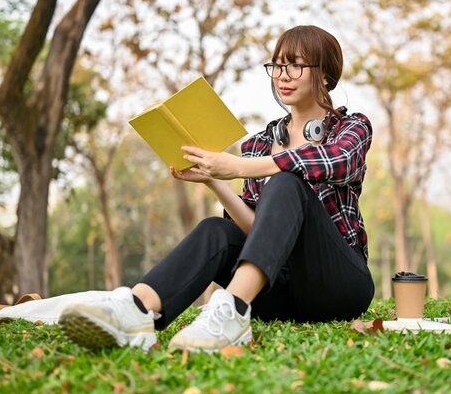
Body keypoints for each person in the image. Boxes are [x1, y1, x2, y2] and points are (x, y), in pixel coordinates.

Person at [58, 25, 375, 352]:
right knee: (216, 229)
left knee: (285, 180)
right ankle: (138, 310)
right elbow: (257, 230)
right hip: (280, 292)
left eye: (295, 65)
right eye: (277, 65)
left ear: (324, 75)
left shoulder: (351, 128)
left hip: (337, 286)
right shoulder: (260, 143)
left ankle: (233, 310)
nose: (282, 75)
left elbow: (338, 161)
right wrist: (213, 179)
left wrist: (237, 167)